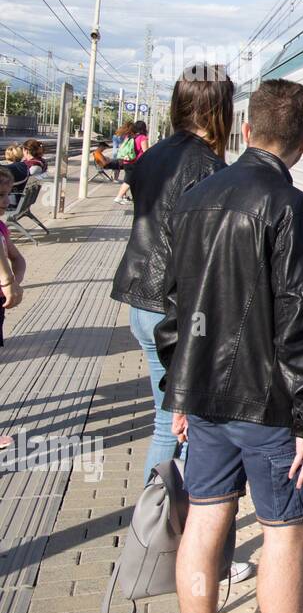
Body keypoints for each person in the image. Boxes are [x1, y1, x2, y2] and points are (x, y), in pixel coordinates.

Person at [159, 78, 303, 613]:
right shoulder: (294, 209)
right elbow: (299, 323)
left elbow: (173, 310)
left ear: (249, 131)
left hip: (204, 403)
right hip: (271, 409)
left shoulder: (192, 200)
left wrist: (179, 393)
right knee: (284, 533)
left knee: (205, 523)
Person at [109, 69, 233, 486]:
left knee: (166, 421)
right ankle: (159, 529)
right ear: (221, 109)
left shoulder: (153, 155)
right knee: (174, 428)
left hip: (142, 303)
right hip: (175, 313)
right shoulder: (210, 168)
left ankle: (161, 524)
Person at [0, 168, 24, 450]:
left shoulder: (3, 228)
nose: (6, 202)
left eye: (7, 195)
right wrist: (8, 282)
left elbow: (18, 259)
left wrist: (13, 283)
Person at [113, 121, 150, 205]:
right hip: (136, 162)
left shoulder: (130, 137)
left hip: (127, 161)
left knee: (129, 179)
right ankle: (119, 197)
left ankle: (124, 197)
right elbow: (146, 152)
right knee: (129, 181)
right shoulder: (142, 137)